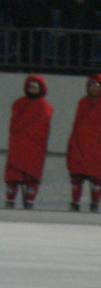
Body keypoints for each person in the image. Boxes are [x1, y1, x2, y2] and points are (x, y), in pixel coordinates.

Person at [67, 74, 101, 212]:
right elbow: (78, 124)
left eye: (96, 86)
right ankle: (75, 202)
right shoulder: (83, 102)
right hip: (80, 144)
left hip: (97, 147)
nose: (93, 89)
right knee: (76, 176)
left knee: (97, 178)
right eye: (90, 85)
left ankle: (95, 204)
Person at [5, 75, 52, 211]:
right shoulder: (19, 103)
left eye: (35, 87)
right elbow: (14, 125)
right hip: (18, 144)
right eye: (30, 86)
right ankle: (10, 200)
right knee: (14, 175)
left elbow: (43, 127)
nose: (32, 89)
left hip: (35, 147)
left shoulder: (45, 106)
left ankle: (30, 201)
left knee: (31, 175)